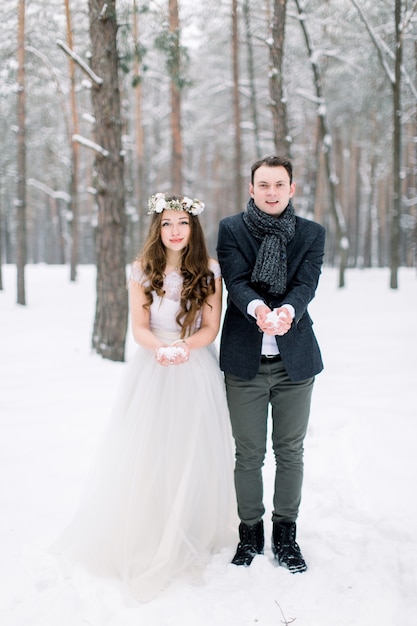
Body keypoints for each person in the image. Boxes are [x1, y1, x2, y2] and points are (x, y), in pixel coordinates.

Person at [56, 193, 236, 602]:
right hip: (153, 367)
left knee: (192, 447)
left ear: (194, 228)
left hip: (195, 366)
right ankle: (152, 524)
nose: (175, 231)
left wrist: (185, 349)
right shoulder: (141, 270)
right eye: (168, 223)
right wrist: (160, 349)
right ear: (158, 228)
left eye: (183, 223)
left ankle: (190, 524)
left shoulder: (209, 271)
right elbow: (138, 326)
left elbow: (211, 326)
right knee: (151, 448)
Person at [216, 155, 325, 573]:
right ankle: (250, 532)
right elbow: (236, 280)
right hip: (245, 361)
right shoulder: (231, 230)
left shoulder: (312, 233)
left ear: (291, 189)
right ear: (252, 188)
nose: (272, 192)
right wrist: (260, 308)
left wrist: (288, 312)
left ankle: (286, 533)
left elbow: (306, 282)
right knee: (248, 454)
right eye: (264, 184)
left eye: (279, 184)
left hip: (294, 362)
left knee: (290, 452)